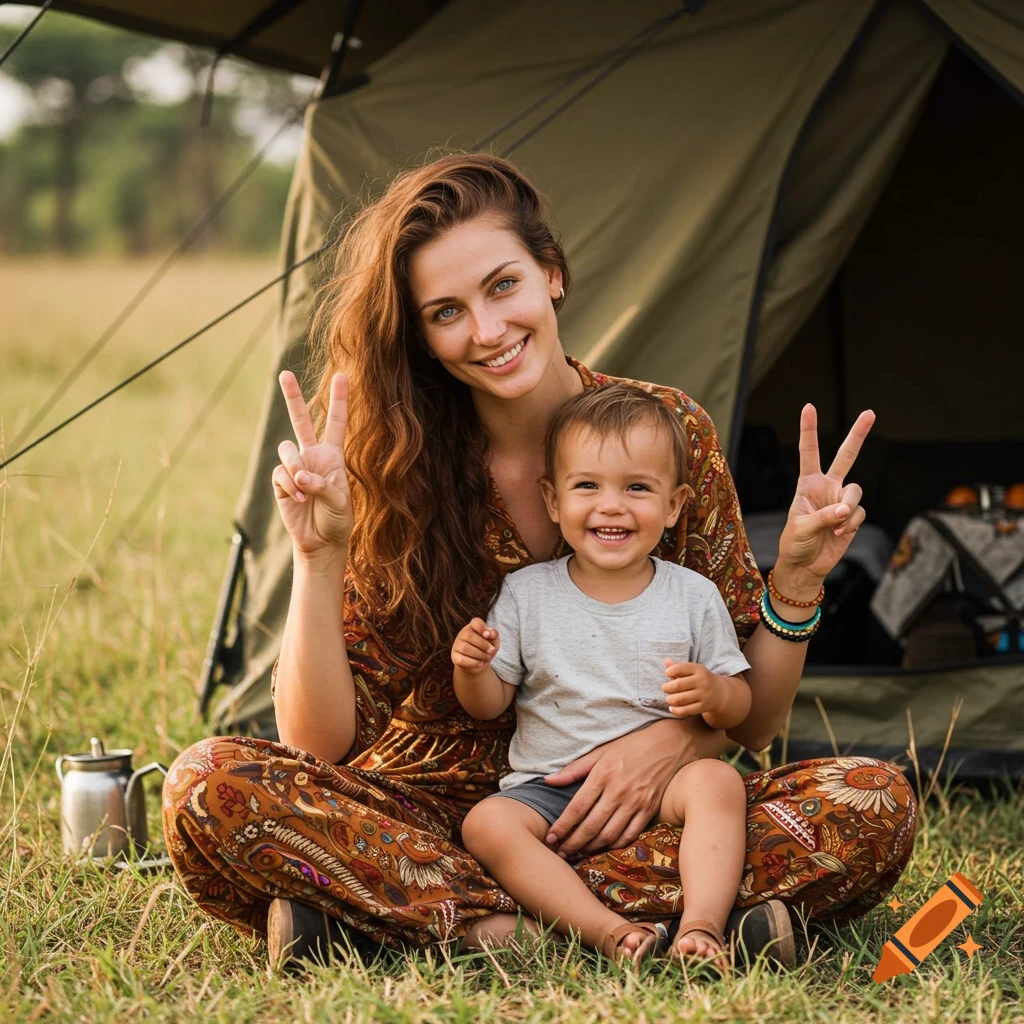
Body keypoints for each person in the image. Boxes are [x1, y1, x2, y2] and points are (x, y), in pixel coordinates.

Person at [161, 153, 917, 969]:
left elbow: (756, 721)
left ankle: (398, 920)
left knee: (875, 801)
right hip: (433, 817)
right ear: (419, 334)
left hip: (634, 812)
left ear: (551, 274)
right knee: (209, 782)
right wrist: (318, 554)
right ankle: (578, 926)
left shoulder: (669, 432)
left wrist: (793, 583)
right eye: (445, 311)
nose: (486, 331)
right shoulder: (397, 468)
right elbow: (319, 744)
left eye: (502, 286)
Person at [454, 382, 768, 969]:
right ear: (553, 499)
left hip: (663, 793)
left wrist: (715, 691)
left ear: (674, 506)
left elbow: (739, 708)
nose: (612, 505)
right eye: (587, 486)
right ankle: (608, 931)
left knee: (719, 786)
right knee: (487, 825)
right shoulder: (527, 593)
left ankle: (702, 926)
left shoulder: (691, 596)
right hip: (549, 793)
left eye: (638, 488)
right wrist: (471, 667)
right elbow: (488, 703)